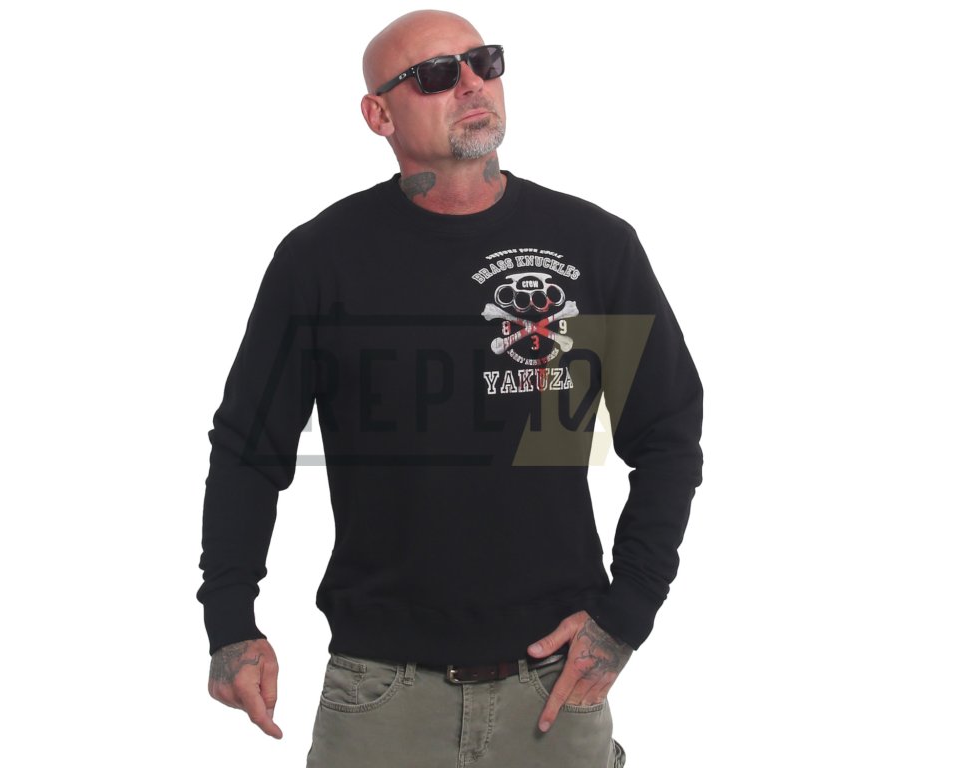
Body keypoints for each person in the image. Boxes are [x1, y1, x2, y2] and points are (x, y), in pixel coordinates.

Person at [197, 9, 703, 767]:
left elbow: (665, 437)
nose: (471, 84)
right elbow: (248, 450)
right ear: (379, 115)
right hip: (381, 693)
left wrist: (626, 613)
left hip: (555, 687)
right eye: (435, 75)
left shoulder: (593, 247)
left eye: (483, 61)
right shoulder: (321, 261)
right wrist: (231, 621)